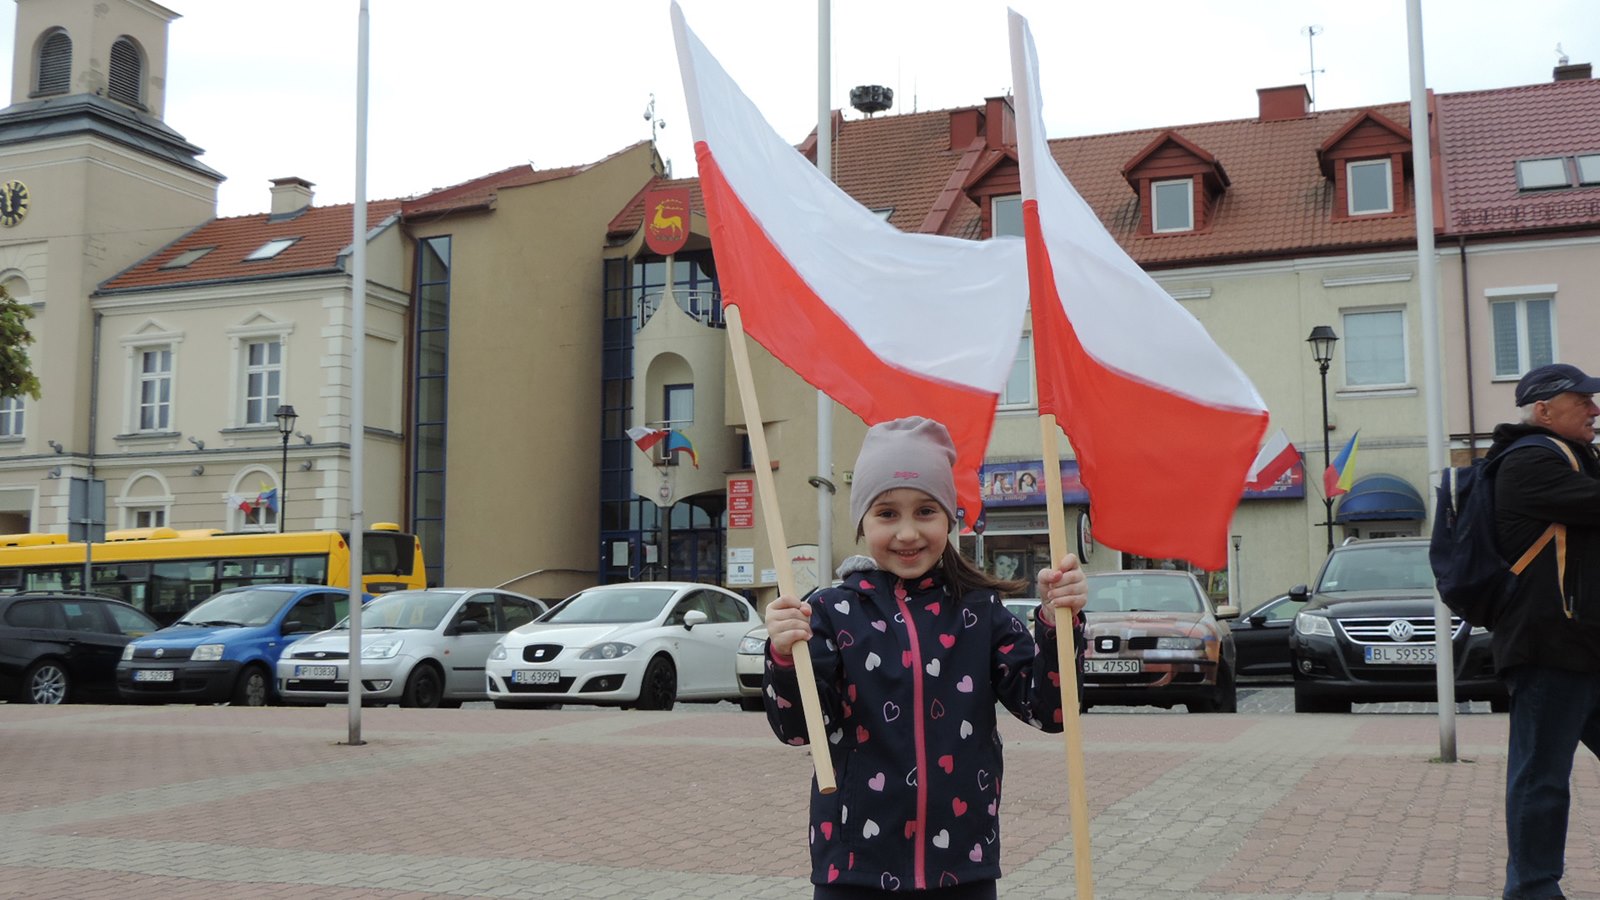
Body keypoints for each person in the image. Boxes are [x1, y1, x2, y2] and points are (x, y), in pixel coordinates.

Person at [763, 417, 1088, 899]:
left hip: (962, 867)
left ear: (949, 519)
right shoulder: (830, 612)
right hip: (854, 869)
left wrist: (1059, 623)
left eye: (926, 511)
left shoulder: (979, 611)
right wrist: (784, 655)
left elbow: (1052, 710)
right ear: (862, 522)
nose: (907, 532)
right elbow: (797, 729)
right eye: (886, 513)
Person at [1488, 363, 1600, 900]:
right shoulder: (1528, 461)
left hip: (1586, 643)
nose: (1595, 411)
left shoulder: (1576, 458)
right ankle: (1532, 890)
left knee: (1543, 776)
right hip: (1550, 646)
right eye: (1584, 402)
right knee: (1542, 778)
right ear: (1544, 410)